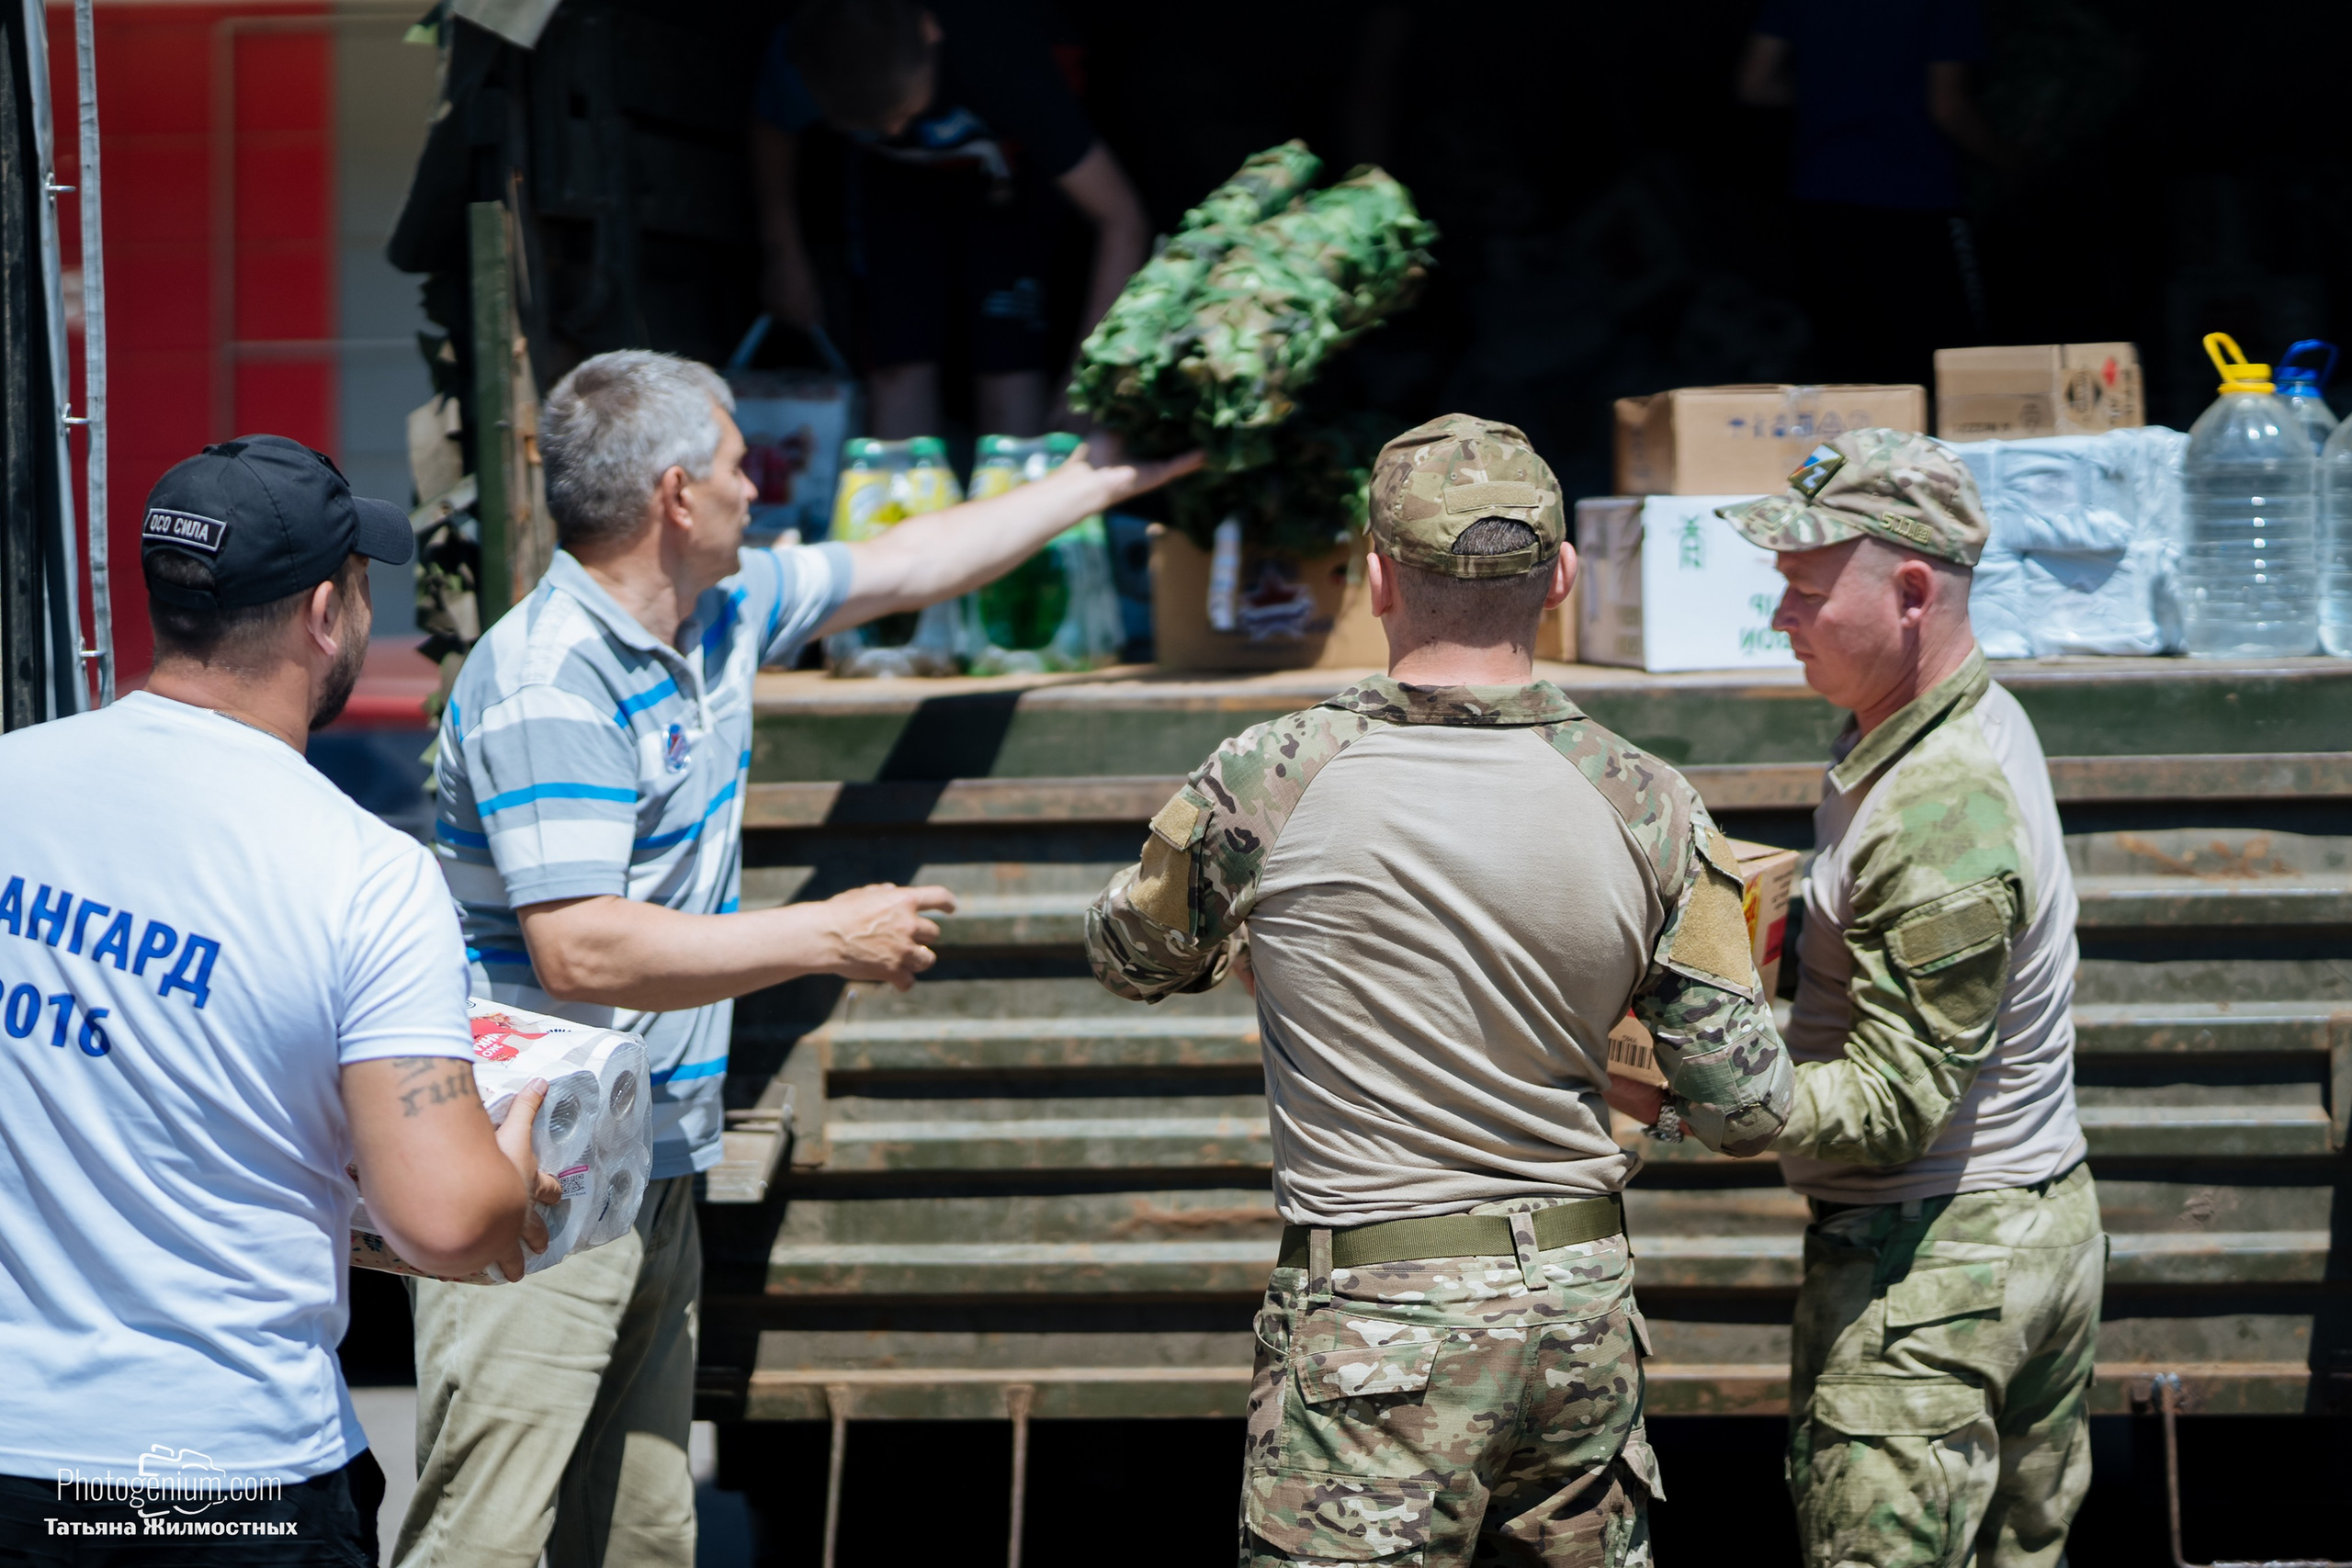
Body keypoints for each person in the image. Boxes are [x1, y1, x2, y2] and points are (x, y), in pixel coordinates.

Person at [399, 349, 1193, 1567]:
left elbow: (915, 561)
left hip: (647, 1155)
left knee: (642, 1534)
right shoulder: (551, 680)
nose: (757, 488)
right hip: (531, 1173)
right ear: (675, 496)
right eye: (734, 465)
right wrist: (832, 933)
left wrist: (1101, 476)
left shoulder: (721, 612)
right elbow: (583, 947)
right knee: (489, 1536)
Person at [1085, 413, 1795, 1565]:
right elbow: (1747, 1108)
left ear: (1374, 579)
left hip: (1376, 1334)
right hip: (1579, 1319)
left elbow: (1130, 954)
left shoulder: (1272, 776)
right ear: (1561, 578)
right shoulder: (1653, 803)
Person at [0, 436, 557, 1562]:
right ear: (323, 614)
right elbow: (445, 1221)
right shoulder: (361, 870)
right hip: (225, 1476)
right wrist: (513, 1181)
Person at [1716, 429, 2100, 1568]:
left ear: (1914, 591)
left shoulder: (1939, 803)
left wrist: (1705, 1080)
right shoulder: (1915, 727)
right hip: (2004, 1232)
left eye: (1806, 591)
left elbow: (1895, 1103)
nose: (1781, 618)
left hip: (1933, 1263)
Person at [750, 0, 1149, 438]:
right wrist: (783, 254)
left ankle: (1020, 496)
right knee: (898, 364)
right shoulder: (803, 53)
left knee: (1009, 365)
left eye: (902, 109)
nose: (896, 131)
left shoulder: (1001, 56)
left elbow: (1122, 218)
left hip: (1009, 172)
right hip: (892, 183)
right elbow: (775, 127)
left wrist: (1087, 378)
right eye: (869, 125)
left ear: (929, 28)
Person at [1735, 0, 2007, 383]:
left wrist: (1832, 96)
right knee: (1949, 370)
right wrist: (2012, 159)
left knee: (1851, 370)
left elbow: (1755, 84)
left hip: (1820, 201)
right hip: (1914, 202)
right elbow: (1948, 107)